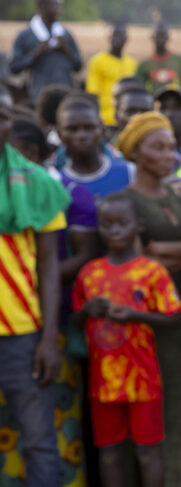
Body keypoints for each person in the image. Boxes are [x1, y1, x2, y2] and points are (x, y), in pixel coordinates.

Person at [117, 111, 181, 486]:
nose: (170, 155)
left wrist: (162, 248)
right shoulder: (123, 202)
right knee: (159, 410)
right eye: (158, 147)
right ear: (136, 153)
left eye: (172, 146)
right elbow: (138, 264)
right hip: (150, 325)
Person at [72, 192, 181, 487]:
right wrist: (86, 311)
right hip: (103, 384)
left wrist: (137, 316)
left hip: (143, 380)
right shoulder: (89, 273)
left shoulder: (152, 272)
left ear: (139, 226)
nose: (115, 231)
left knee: (147, 452)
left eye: (122, 223)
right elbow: (74, 321)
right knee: (109, 454)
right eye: (107, 225)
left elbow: (176, 317)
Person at [0, 104, 68, 487]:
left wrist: (48, 339)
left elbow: (49, 266)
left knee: (40, 443)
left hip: (22, 336)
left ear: (8, 125)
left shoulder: (40, 184)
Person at [57, 94, 134, 201]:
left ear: (102, 130)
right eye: (72, 129)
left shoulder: (129, 173)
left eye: (89, 128)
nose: (81, 136)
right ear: (59, 134)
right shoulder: (54, 181)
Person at [9, 0, 82, 101]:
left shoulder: (65, 34)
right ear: (42, 6)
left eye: (60, 6)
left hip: (66, 95)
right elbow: (14, 68)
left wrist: (66, 50)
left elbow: (78, 67)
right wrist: (36, 53)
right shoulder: (26, 35)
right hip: (39, 96)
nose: (59, 10)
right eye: (55, 5)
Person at [86, 23, 138, 127]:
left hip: (126, 121)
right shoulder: (97, 61)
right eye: (115, 35)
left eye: (121, 35)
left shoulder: (132, 63)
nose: (117, 38)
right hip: (105, 119)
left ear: (126, 39)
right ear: (109, 37)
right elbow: (92, 94)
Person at [136, 23, 181, 94]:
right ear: (153, 37)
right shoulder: (144, 65)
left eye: (163, 35)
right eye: (158, 35)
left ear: (168, 37)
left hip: (175, 102)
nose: (160, 38)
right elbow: (138, 89)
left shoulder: (180, 62)